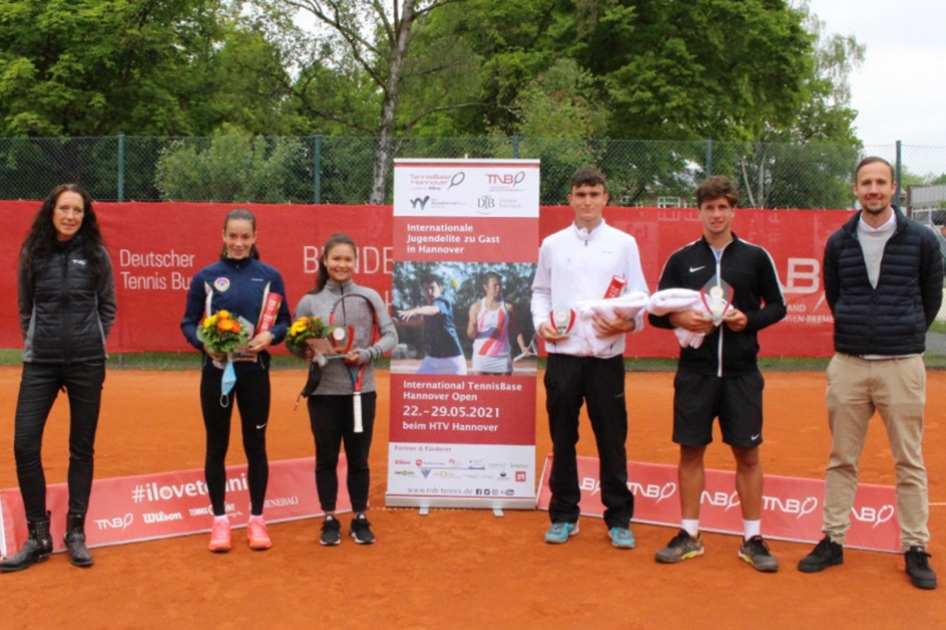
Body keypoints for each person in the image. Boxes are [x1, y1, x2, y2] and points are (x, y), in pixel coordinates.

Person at [797, 157, 944, 590]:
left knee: (909, 461)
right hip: (850, 365)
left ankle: (916, 547)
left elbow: (929, 298)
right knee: (842, 458)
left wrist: (904, 330)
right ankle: (833, 540)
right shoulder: (840, 242)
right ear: (856, 189)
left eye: (881, 182)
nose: (874, 189)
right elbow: (836, 294)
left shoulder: (921, 240)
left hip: (902, 365)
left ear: (894, 188)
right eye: (866, 182)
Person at [647, 175, 786, 572]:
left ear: (733, 210)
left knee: (748, 454)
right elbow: (655, 313)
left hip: (742, 373)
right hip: (695, 373)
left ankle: (752, 539)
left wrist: (749, 320)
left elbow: (778, 306)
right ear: (700, 212)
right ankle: (689, 533)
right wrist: (680, 316)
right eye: (709, 208)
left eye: (723, 207)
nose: (717, 214)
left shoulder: (755, 257)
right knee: (691, 451)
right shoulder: (681, 258)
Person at [0, 184, 117, 573]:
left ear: (85, 216)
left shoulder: (96, 255)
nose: (70, 216)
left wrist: (91, 341)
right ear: (51, 211)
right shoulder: (33, 253)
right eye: (64, 209)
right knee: (24, 444)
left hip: (87, 363)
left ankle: (76, 533)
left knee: (81, 449)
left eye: (78, 211)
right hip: (41, 363)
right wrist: (39, 341)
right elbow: (24, 307)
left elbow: (107, 307)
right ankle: (38, 535)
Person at [531, 167, 648, 549]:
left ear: (605, 198)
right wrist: (540, 323)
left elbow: (639, 297)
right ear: (570, 199)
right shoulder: (552, 243)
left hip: (606, 359)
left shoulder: (624, 243)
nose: (587, 201)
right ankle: (564, 515)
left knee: (612, 440)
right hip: (562, 355)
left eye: (594, 194)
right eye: (580, 194)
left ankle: (618, 520)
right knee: (563, 438)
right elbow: (541, 292)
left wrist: (627, 325)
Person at [181, 208, 291, 553]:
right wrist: (205, 344)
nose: (239, 242)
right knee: (217, 447)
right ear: (223, 236)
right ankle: (219, 522)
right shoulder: (206, 277)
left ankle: (257, 520)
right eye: (233, 236)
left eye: (245, 236)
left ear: (255, 237)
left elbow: (284, 321)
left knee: (255, 447)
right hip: (216, 375)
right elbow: (187, 322)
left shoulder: (270, 276)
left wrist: (269, 336)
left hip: (254, 374)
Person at [294, 233, 397, 545]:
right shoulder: (310, 302)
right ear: (325, 261)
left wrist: (365, 354)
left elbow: (390, 335)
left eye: (347, 259)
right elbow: (295, 342)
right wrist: (305, 352)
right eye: (335, 258)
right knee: (326, 457)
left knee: (359, 459)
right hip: (324, 394)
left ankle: (359, 517)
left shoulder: (369, 296)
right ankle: (329, 518)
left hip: (360, 392)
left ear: (355, 262)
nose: (341, 264)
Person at [397, 276, 467, 375]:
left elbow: (433, 310)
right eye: (426, 289)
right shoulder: (427, 307)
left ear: (440, 289)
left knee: (456, 390)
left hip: (453, 361)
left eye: (432, 288)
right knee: (415, 385)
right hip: (433, 360)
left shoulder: (442, 302)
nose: (429, 292)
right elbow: (419, 320)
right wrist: (398, 323)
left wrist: (413, 310)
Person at [466, 272, 527, 375]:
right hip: (481, 357)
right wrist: (472, 326)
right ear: (486, 287)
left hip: (502, 357)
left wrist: (523, 347)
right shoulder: (476, 307)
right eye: (495, 285)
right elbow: (471, 335)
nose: (498, 288)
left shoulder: (509, 307)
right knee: (480, 390)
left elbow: (516, 329)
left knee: (504, 390)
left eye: (500, 285)